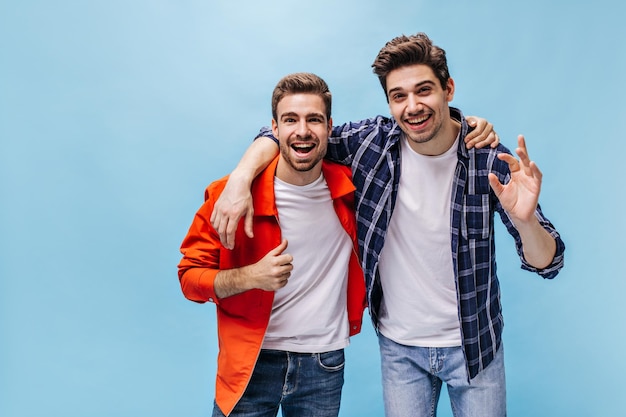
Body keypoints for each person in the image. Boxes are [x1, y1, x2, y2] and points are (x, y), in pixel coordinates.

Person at [209, 33, 565, 417]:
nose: (412, 106)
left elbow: (549, 262)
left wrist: (525, 221)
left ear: (449, 89)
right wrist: (240, 178)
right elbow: (293, 135)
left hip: (475, 345)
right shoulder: (371, 144)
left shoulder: (489, 159)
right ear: (390, 103)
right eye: (399, 96)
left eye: (424, 90)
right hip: (399, 349)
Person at [178, 72, 367, 417]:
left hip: (322, 364)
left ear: (329, 127)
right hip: (250, 363)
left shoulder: (353, 191)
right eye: (290, 119)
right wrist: (249, 277)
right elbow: (189, 279)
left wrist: (467, 125)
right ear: (274, 129)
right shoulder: (228, 197)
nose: (303, 130)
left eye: (314, 119)